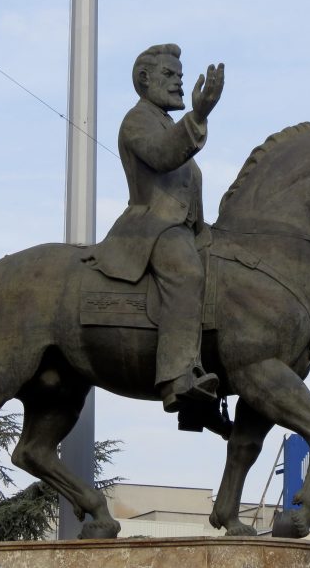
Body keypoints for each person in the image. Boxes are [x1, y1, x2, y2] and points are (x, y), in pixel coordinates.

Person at [87, 44, 225, 413]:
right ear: (144, 79)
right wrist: (198, 115)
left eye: (180, 75)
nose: (179, 82)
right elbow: (164, 156)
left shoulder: (165, 122)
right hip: (154, 228)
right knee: (186, 275)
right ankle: (178, 378)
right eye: (169, 75)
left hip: (186, 229)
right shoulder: (138, 120)